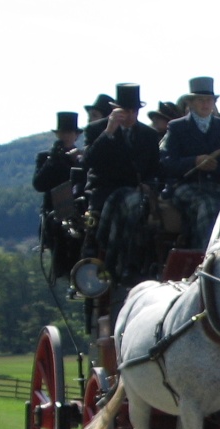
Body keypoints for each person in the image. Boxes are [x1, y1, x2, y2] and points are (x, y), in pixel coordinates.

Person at [81, 83, 162, 284]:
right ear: (116, 111)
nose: (130, 115)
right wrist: (109, 132)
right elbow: (88, 162)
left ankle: (131, 264)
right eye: (125, 110)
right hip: (105, 191)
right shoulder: (96, 130)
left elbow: (155, 168)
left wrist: (149, 184)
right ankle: (117, 262)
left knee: (138, 205)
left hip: (136, 191)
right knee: (130, 205)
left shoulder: (149, 135)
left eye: (134, 111)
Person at [160, 76, 220, 249]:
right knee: (208, 207)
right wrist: (194, 161)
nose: (206, 104)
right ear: (191, 103)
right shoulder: (176, 128)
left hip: (219, 187)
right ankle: (204, 255)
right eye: (201, 100)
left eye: (209, 100)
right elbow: (166, 163)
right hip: (186, 187)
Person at [32, 111, 83, 280]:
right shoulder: (46, 157)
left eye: (69, 133)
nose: (65, 136)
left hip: (76, 210)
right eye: (62, 133)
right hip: (54, 212)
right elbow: (39, 184)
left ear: (75, 135)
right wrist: (53, 159)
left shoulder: (81, 157)